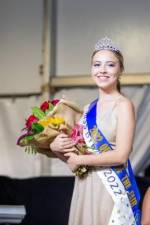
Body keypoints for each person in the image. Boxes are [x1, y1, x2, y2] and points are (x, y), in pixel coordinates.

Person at [50, 37, 141, 225]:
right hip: (85, 186)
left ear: (120, 70)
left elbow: (121, 155)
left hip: (110, 189)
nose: (102, 70)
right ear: (91, 69)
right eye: (97, 64)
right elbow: (74, 160)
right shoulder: (87, 109)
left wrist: (80, 159)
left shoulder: (124, 105)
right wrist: (55, 147)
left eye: (110, 65)